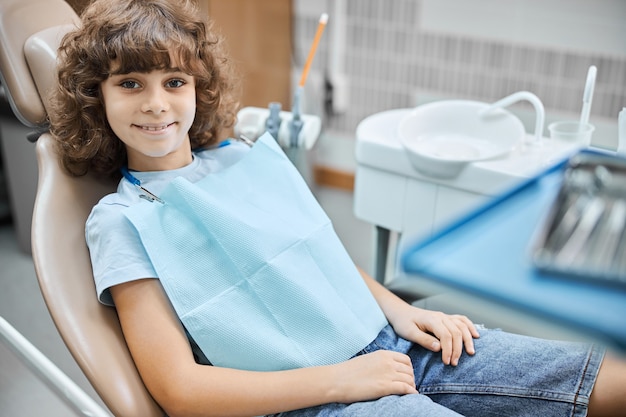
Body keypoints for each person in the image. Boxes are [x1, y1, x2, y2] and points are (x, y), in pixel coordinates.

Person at [48, 1, 626, 416]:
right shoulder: (121, 221)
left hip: (392, 344)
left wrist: (402, 313)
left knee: (605, 380)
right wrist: (342, 381)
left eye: (174, 80)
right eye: (129, 83)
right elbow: (179, 390)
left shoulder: (239, 160)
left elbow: (312, 254)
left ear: (199, 88)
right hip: (308, 397)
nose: (156, 104)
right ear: (96, 97)